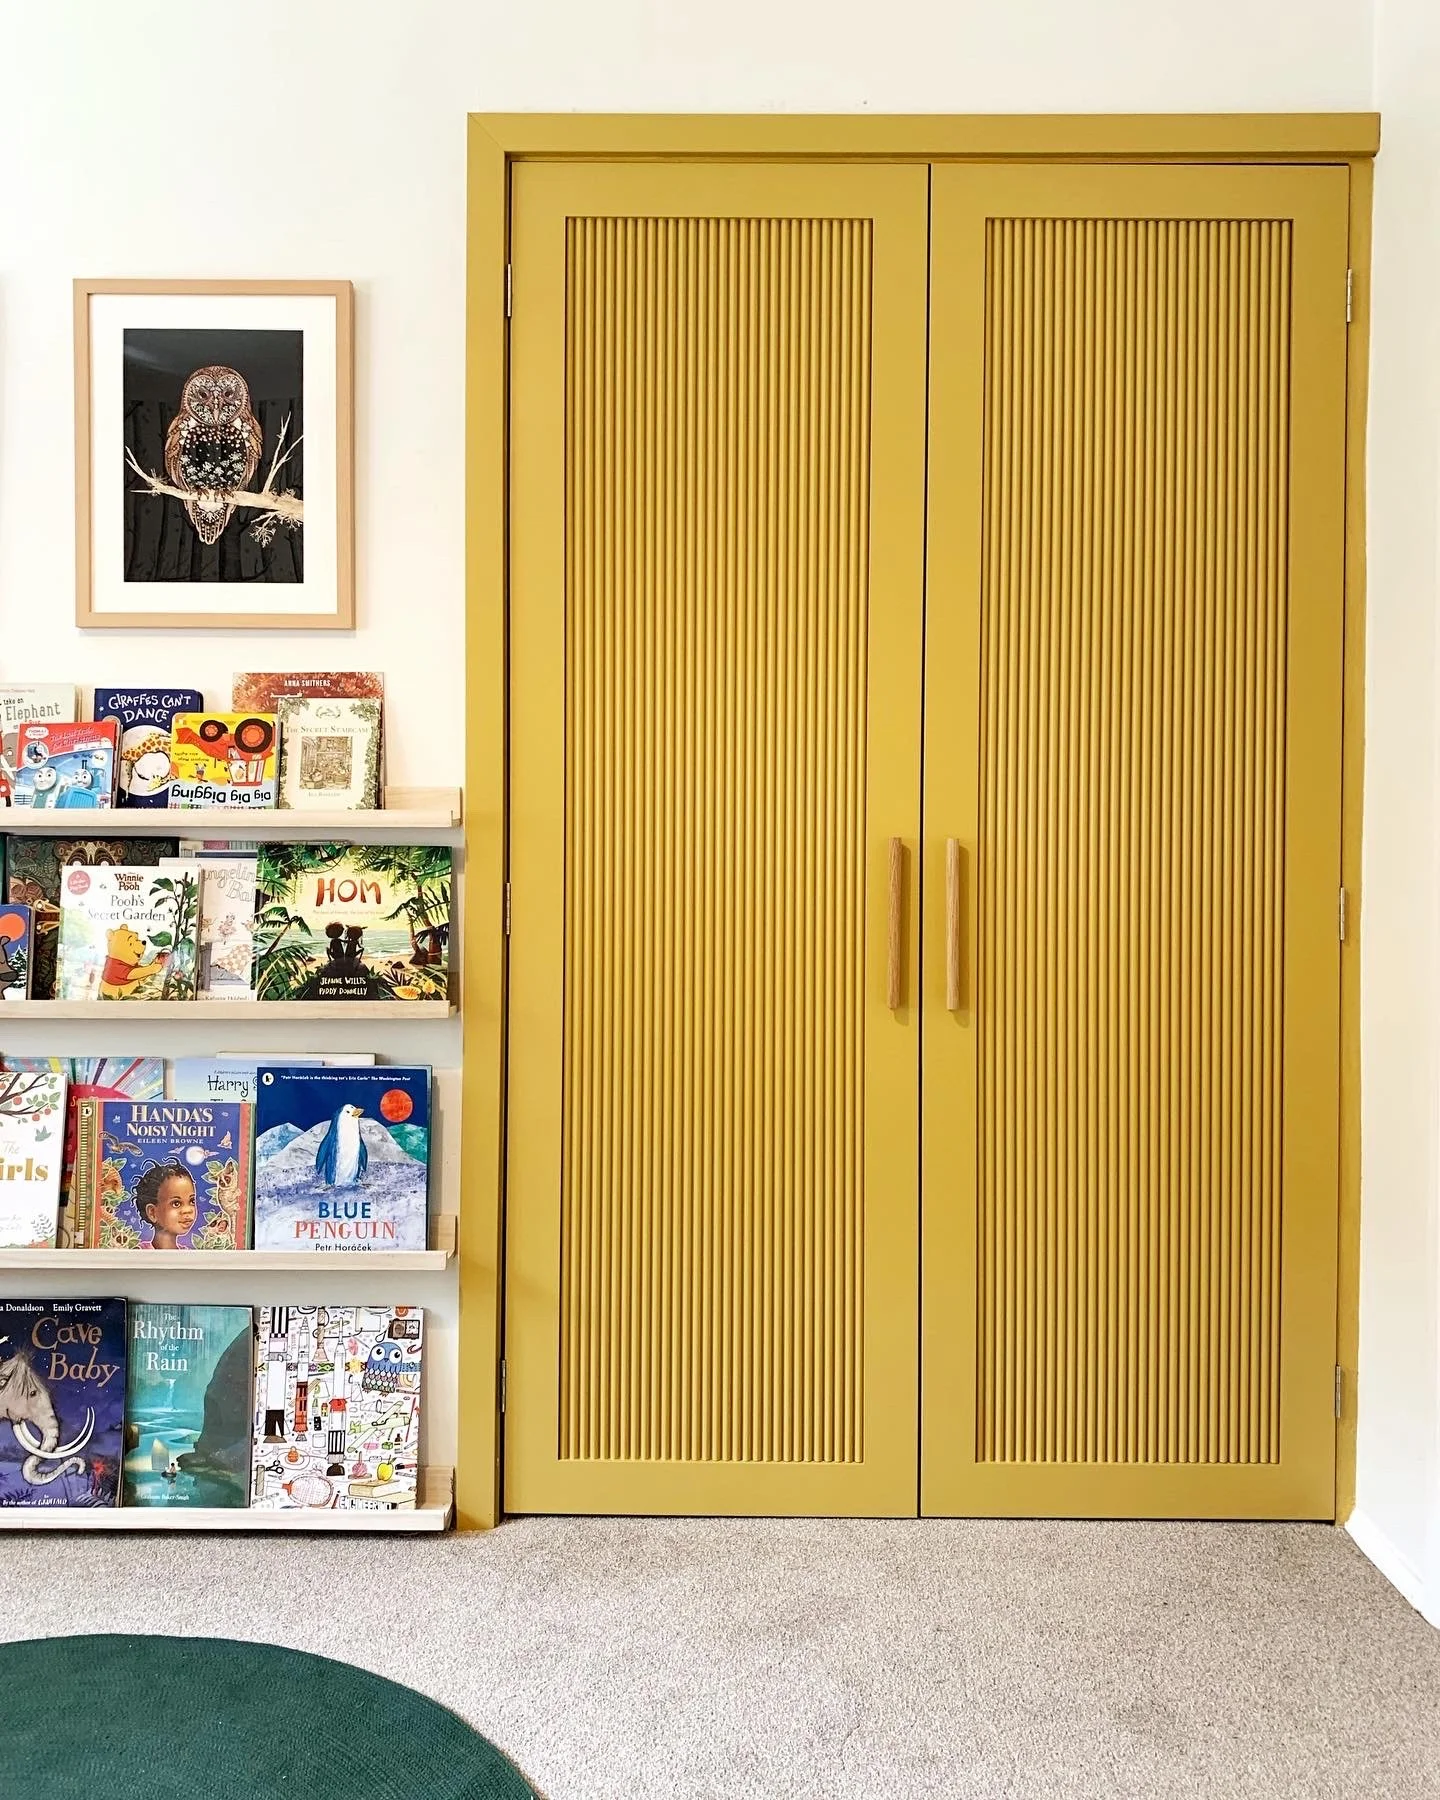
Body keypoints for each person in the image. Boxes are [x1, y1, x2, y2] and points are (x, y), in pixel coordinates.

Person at [132, 1161, 198, 1250]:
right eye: (176, 1203)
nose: (188, 1210)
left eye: (192, 1201)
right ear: (152, 1212)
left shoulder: (189, 1254)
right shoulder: (138, 1252)